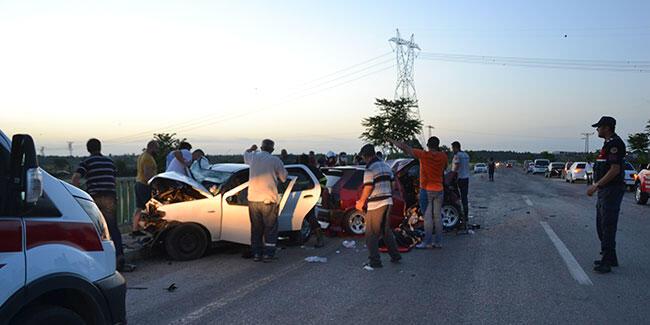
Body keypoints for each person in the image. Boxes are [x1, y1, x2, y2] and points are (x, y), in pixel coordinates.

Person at [72, 139, 135, 272]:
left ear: (88, 149)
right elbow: (113, 177)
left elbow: (76, 178)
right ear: (100, 148)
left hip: (94, 198)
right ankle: (119, 257)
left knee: (94, 229)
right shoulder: (110, 162)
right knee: (113, 228)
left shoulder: (86, 162)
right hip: (110, 197)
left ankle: (97, 260)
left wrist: (78, 191)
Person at [390, 137, 447, 249]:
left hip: (426, 189)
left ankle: (427, 242)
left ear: (428, 145)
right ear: (438, 144)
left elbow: (405, 148)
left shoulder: (423, 155)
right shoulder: (443, 156)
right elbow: (444, 168)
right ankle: (439, 242)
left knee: (427, 217)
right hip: (439, 189)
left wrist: (393, 141)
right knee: (437, 217)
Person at [587, 116, 626, 274]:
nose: (597, 130)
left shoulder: (615, 144)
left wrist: (596, 185)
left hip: (611, 190)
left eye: (599, 127)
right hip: (606, 190)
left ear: (607, 128)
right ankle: (611, 257)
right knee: (602, 224)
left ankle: (606, 262)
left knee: (607, 225)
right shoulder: (608, 143)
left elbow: (614, 170)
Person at [355, 144, 401, 268]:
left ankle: (375, 262)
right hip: (388, 201)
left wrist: (361, 202)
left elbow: (368, 186)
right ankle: (395, 255)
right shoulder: (386, 166)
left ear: (365, 156)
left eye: (363, 157)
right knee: (386, 231)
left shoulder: (370, 168)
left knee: (371, 234)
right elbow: (393, 185)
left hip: (376, 204)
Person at [244, 139, 288, 262]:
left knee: (256, 228)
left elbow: (245, 154)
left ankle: (257, 254)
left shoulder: (252, 157)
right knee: (270, 228)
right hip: (268, 199)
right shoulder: (275, 160)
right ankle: (268, 254)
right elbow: (284, 178)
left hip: (253, 200)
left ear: (261, 147)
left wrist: (252, 148)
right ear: (272, 150)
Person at [298, 154, 326, 248]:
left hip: (307, 196)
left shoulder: (304, 170)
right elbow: (323, 179)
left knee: (310, 217)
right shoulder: (306, 169)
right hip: (303, 196)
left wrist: (318, 191)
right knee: (307, 217)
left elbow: (323, 179)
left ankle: (319, 238)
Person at [132, 140, 158, 236]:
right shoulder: (148, 158)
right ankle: (150, 229)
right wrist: (154, 185)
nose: (157, 151)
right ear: (152, 147)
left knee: (139, 208)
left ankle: (135, 229)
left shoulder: (142, 156)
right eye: (156, 148)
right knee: (149, 208)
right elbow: (148, 173)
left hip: (138, 183)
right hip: (145, 185)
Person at [451, 141, 471, 232]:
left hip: (459, 179)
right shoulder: (466, 155)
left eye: (452, 148)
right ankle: (466, 216)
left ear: (456, 147)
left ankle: (459, 215)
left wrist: (451, 175)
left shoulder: (457, 156)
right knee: (464, 198)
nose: (452, 150)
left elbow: (456, 166)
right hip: (466, 178)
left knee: (456, 198)